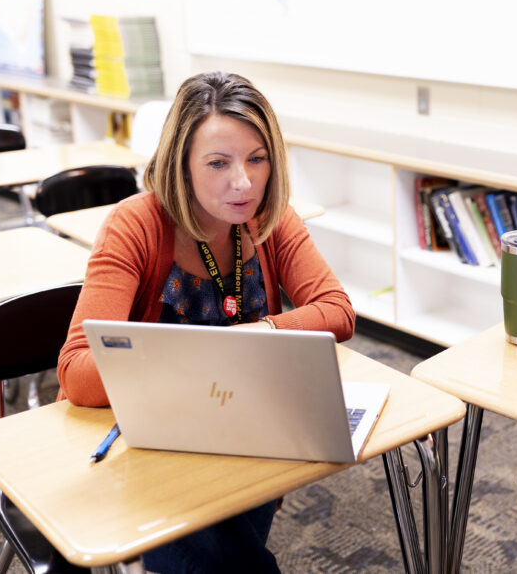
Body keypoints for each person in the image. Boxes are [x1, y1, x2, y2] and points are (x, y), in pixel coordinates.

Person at [57, 71, 354, 573]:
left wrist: (254, 336)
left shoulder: (270, 218)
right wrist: (203, 363)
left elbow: (337, 311)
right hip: (150, 437)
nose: (243, 181)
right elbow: (75, 371)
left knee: (224, 544)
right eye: (218, 163)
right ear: (182, 166)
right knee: (222, 555)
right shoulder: (136, 225)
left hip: (241, 426)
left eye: (257, 159)